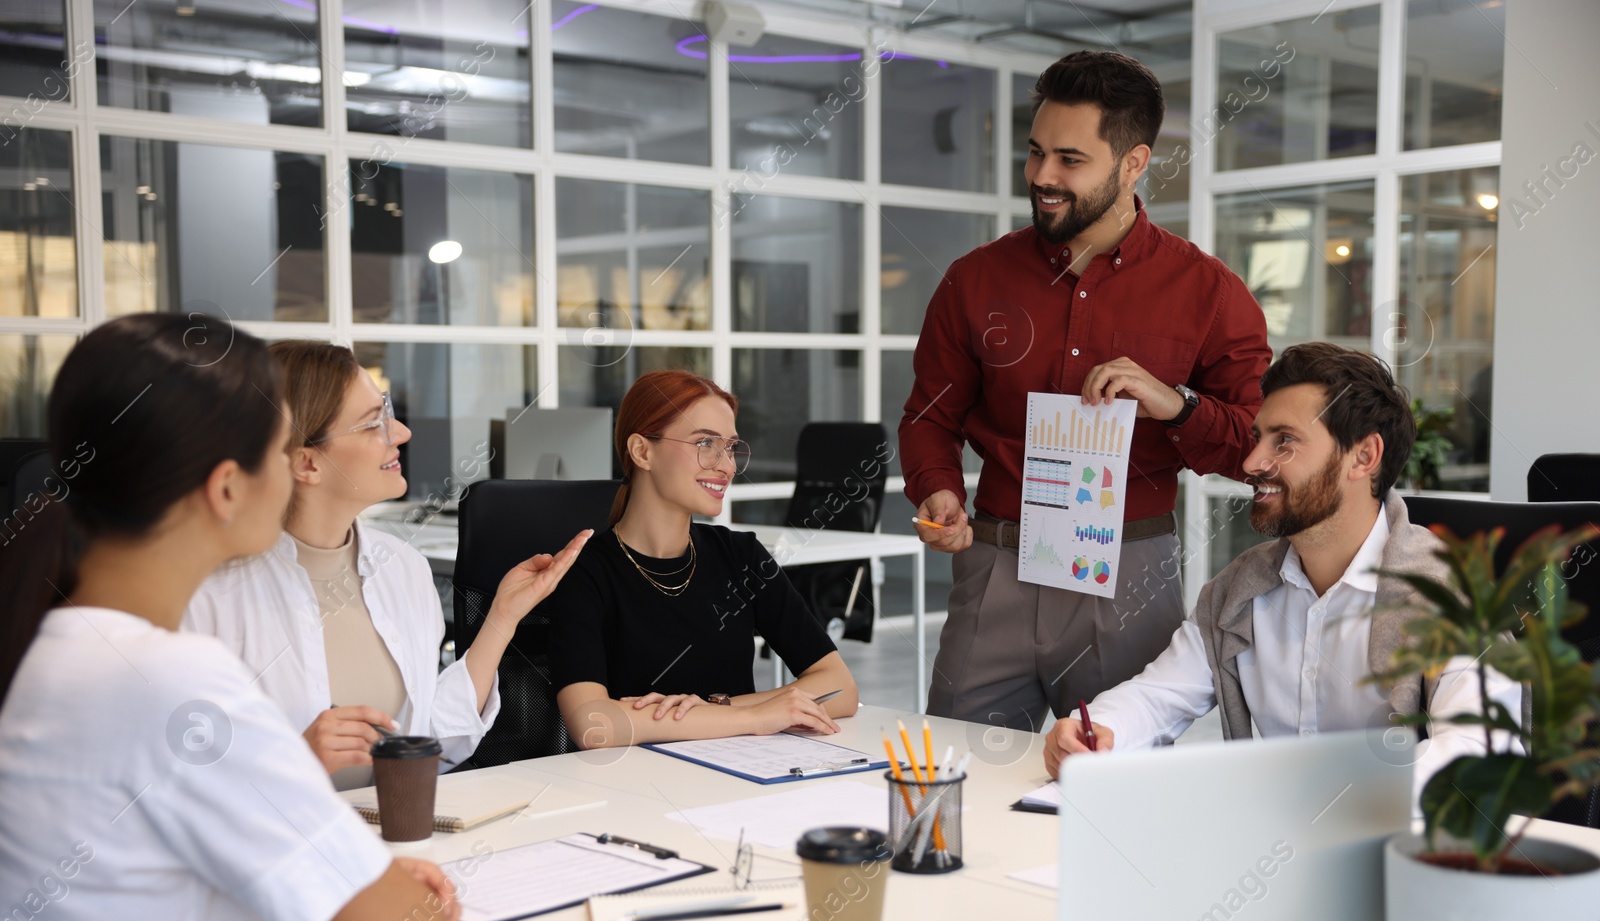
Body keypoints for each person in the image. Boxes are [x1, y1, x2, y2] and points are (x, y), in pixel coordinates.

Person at [0, 314, 457, 921]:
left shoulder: (56, 647)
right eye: (279, 448)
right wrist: (380, 894)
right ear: (226, 488)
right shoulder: (174, 685)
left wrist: (342, 880)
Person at [900, 50, 1273, 732]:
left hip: (1128, 579)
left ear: (1134, 163)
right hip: (995, 568)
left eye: (1070, 159)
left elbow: (1254, 444)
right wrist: (938, 486)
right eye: (1036, 151)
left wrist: (1175, 403)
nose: (1042, 175)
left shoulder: (1209, 292)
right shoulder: (973, 280)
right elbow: (929, 416)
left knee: (1115, 799)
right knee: (954, 784)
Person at [1044, 343, 1519, 787]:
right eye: (1258, 438)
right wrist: (1098, 731)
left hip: (1396, 859)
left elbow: (1482, 752)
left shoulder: (1449, 593)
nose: (1251, 461)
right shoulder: (1238, 591)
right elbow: (1157, 695)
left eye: (1284, 441)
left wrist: (1335, 796)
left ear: (1364, 456)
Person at [185, 341, 588, 786]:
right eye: (371, 423)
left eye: (387, 411)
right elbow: (164, 782)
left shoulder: (402, 568)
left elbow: (433, 742)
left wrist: (503, 616)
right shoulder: (208, 594)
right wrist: (291, 761)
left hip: (395, 837)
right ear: (307, 463)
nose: (400, 433)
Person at [546, 369, 859, 748]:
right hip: (635, 790)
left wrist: (720, 706)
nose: (726, 466)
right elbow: (593, 724)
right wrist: (755, 715)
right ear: (642, 451)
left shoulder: (742, 556)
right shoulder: (584, 571)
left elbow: (840, 688)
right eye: (705, 443)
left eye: (729, 446)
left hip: (739, 775)